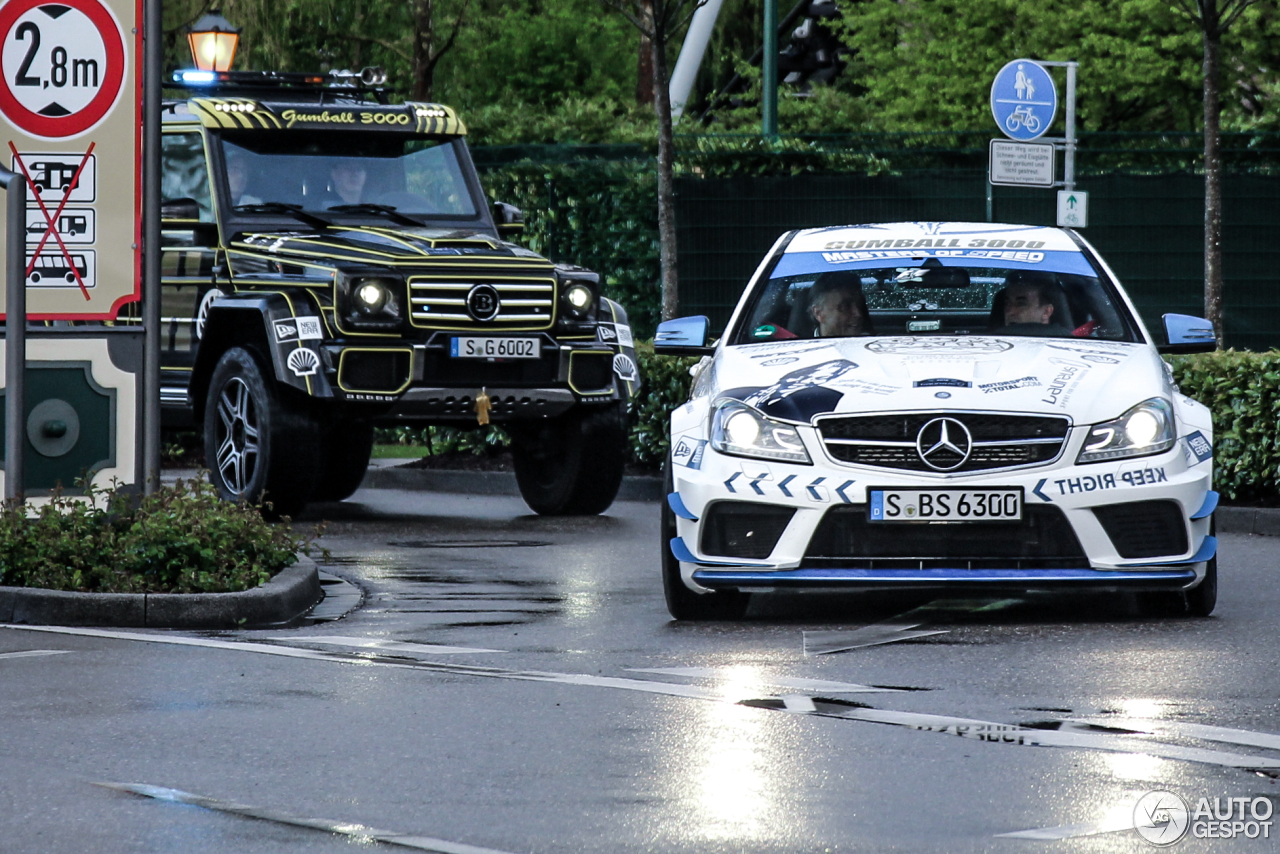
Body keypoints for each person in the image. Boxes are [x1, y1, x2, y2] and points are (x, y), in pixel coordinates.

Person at [809, 271, 872, 338]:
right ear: (818, 313)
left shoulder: (872, 343)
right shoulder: (801, 346)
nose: (858, 314)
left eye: (859, 304)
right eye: (845, 307)